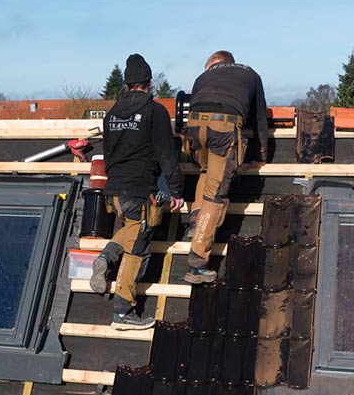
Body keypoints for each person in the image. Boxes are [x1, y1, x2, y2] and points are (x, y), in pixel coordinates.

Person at [90, 53, 184, 329]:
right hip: (141, 190)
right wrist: (176, 190)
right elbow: (167, 154)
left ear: (127, 85)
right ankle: (122, 312)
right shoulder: (154, 112)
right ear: (149, 82)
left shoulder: (111, 115)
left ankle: (106, 256)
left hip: (114, 192)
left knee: (132, 229)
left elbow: (108, 153)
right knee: (137, 248)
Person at [182, 50, 269, 284]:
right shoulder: (250, 74)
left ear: (213, 65)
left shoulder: (203, 77)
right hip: (224, 127)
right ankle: (197, 263)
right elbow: (260, 117)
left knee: (205, 170)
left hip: (193, 126)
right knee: (216, 193)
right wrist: (262, 154)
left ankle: (195, 223)